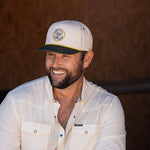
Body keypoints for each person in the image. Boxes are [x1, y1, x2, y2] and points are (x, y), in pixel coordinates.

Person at [0, 20, 126, 150]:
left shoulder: (107, 107)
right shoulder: (16, 102)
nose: (55, 64)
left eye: (65, 56)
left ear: (87, 59)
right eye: (51, 54)